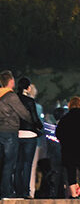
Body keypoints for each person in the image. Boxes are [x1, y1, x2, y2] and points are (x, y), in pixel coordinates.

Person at [0, 70, 33, 199]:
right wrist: (32, 120)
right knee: (9, 163)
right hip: (10, 131)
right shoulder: (11, 96)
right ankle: (6, 192)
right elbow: (23, 113)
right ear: (10, 81)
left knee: (2, 162)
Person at [56, 96, 80, 199]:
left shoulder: (65, 119)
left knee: (71, 172)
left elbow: (58, 134)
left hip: (69, 150)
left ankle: (73, 195)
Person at [15, 76, 43, 197]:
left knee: (18, 164)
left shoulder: (13, 99)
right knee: (27, 164)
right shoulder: (30, 101)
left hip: (16, 134)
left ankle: (17, 190)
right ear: (28, 87)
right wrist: (39, 127)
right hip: (30, 134)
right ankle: (26, 192)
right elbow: (34, 119)